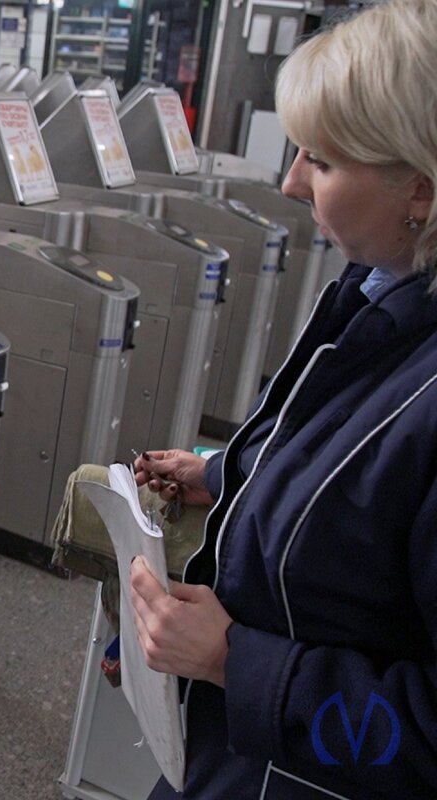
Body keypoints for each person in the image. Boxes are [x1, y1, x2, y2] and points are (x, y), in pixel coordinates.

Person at [128, 1, 437, 796]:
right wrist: (230, 473)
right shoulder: (378, 296)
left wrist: (234, 661)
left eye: (323, 162)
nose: (292, 181)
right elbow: (356, 479)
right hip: (225, 757)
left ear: (421, 193)